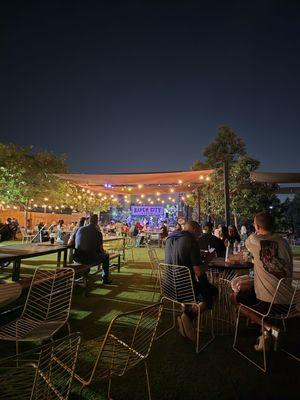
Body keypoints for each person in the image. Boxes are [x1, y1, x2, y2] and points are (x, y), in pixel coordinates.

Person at [231, 212, 293, 351]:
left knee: (234, 298)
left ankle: (271, 329)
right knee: (251, 292)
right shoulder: (284, 242)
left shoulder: (253, 240)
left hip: (270, 305)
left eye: (254, 224)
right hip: (290, 302)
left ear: (257, 226)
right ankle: (264, 333)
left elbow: (248, 244)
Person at [164, 220, 217, 341]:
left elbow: (180, 256)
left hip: (168, 286)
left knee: (199, 286)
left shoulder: (170, 237)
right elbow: (199, 272)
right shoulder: (191, 240)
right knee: (213, 291)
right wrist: (208, 259)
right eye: (199, 231)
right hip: (184, 289)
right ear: (193, 229)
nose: (200, 234)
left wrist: (197, 255)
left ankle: (186, 318)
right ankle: (189, 316)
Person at [74, 214, 112, 284]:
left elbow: (70, 243)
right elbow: (101, 250)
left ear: (88, 220)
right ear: (97, 222)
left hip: (77, 257)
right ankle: (105, 278)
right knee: (106, 256)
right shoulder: (98, 233)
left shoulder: (79, 229)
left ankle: (81, 275)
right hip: (90, 259)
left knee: (88, 253)